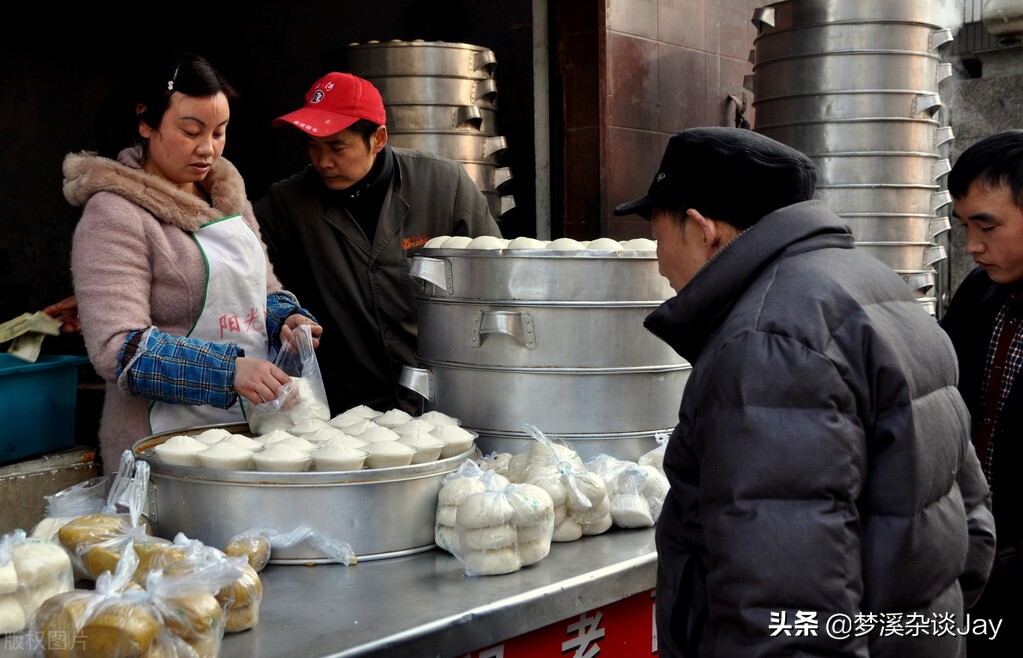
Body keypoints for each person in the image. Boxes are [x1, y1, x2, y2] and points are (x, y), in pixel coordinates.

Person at [613, 127, 995, 657]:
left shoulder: (767, 341)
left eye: (658, 236)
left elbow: (783, 612)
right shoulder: (882, 288)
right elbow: (973, 531)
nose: (658, 262)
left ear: (702, 229)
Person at [63, 51, 321, 472]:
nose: (208, 149)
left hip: (251, 432)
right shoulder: (115, 214)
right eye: (191, 131)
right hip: (163, 448)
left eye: (220, 132)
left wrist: (285, 319)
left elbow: (262, 290)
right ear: (145, 122)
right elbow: (117, 349)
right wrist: (228, 370)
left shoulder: (227, 194)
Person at [254, 72, 502, 416]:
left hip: (443, 402)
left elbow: (495, 282)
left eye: (337, 146)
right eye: (313, 145)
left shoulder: (444, 185)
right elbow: (244, 271)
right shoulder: (287, 204)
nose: (322, 161)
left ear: (378, 138)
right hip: (344, 412)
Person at [940, 129, 1023, 657]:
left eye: (986, 225)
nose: (971, 245)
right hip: (970, 560)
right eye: (964, 225)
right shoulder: (980, 293)